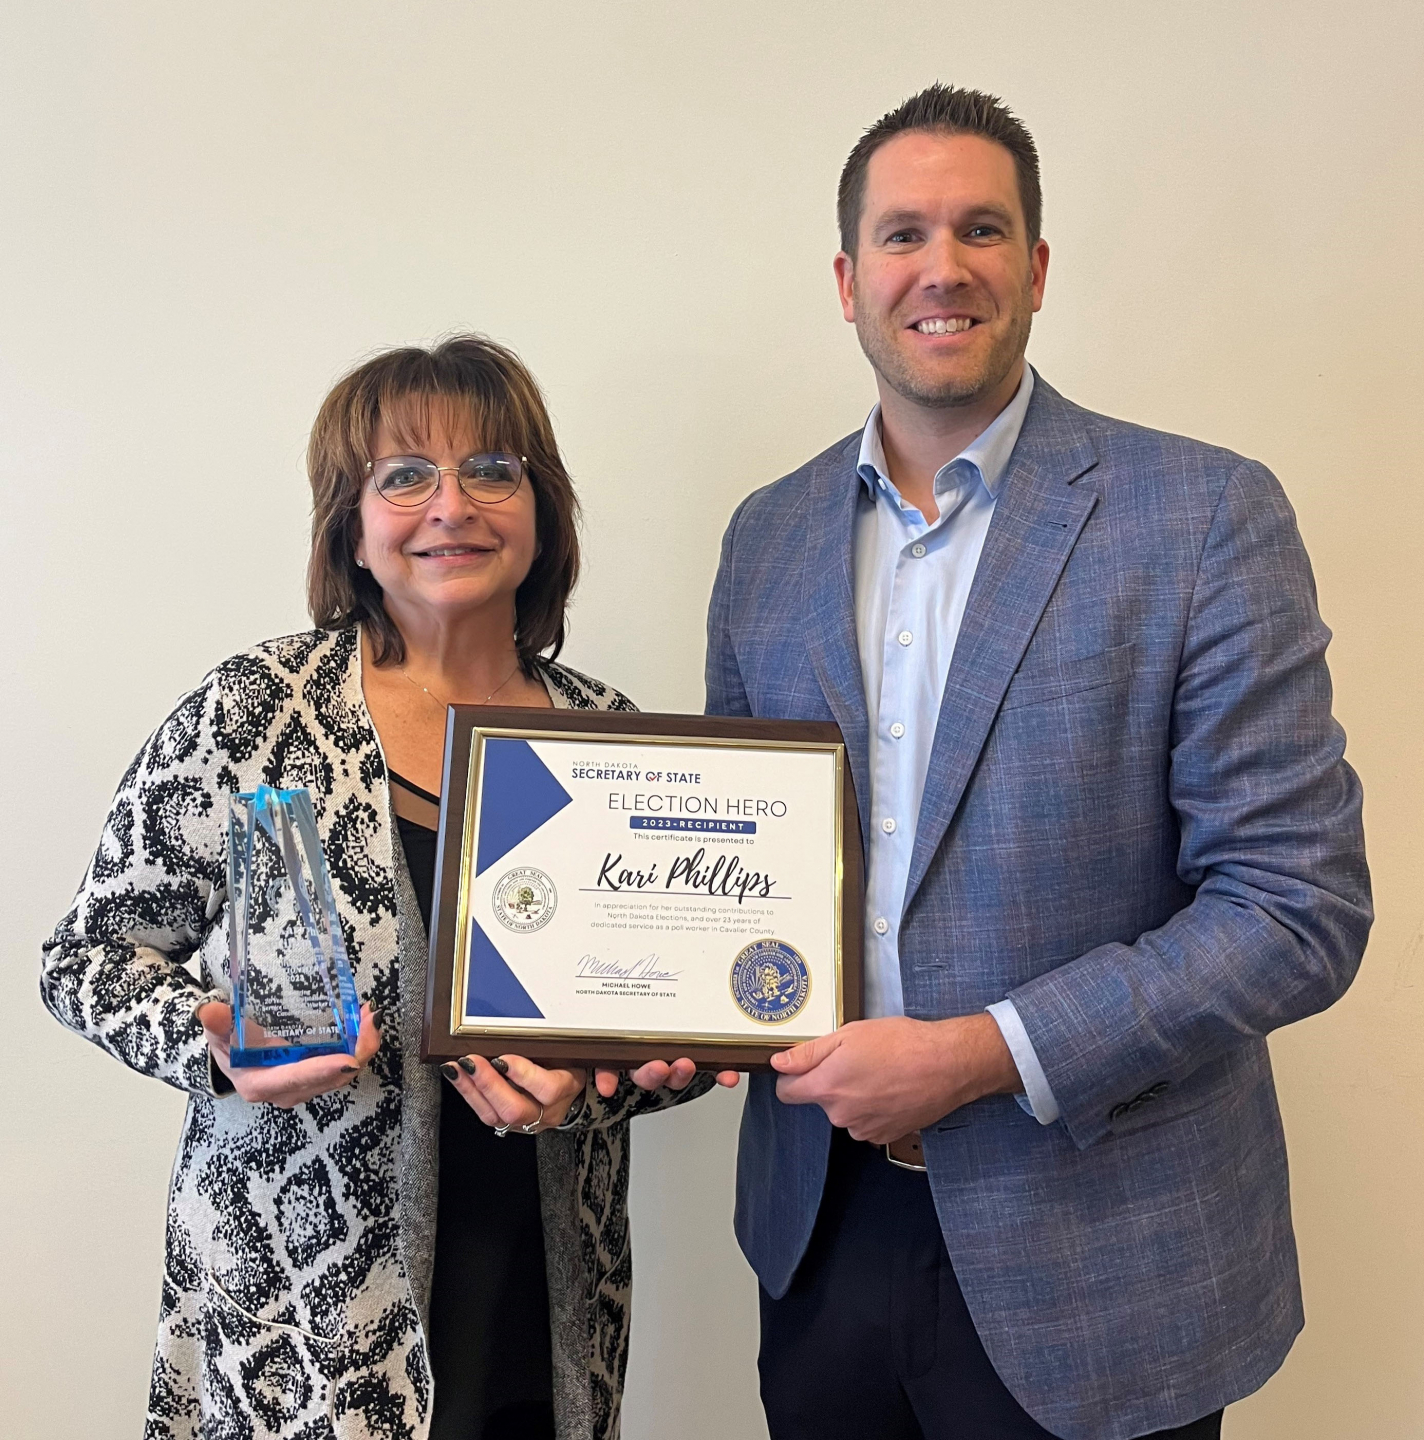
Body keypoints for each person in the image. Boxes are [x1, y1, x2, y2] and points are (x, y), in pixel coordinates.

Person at [706, 84, 1371, 1440]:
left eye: (981, 230)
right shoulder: (765, 538)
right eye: (902, 235)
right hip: (820, 1238)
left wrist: (982, 1053)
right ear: (847, 279)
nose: (940, 267)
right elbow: (730, 874)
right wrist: (659, 1021)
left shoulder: (1202, 516)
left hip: (1102, 1254)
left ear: (1038, 267)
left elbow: (1297, 910)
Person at [40, 334, 733, 1440]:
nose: (450, 505)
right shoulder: (254, 711)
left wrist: (608, 1082)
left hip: (541, 1301)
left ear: (541, 511)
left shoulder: (613, 742)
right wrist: (212, 1047)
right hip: (296, 1321)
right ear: (350, 528)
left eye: (491, 470)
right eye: (403, 476)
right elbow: (85, 960)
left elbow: (675, 1028)